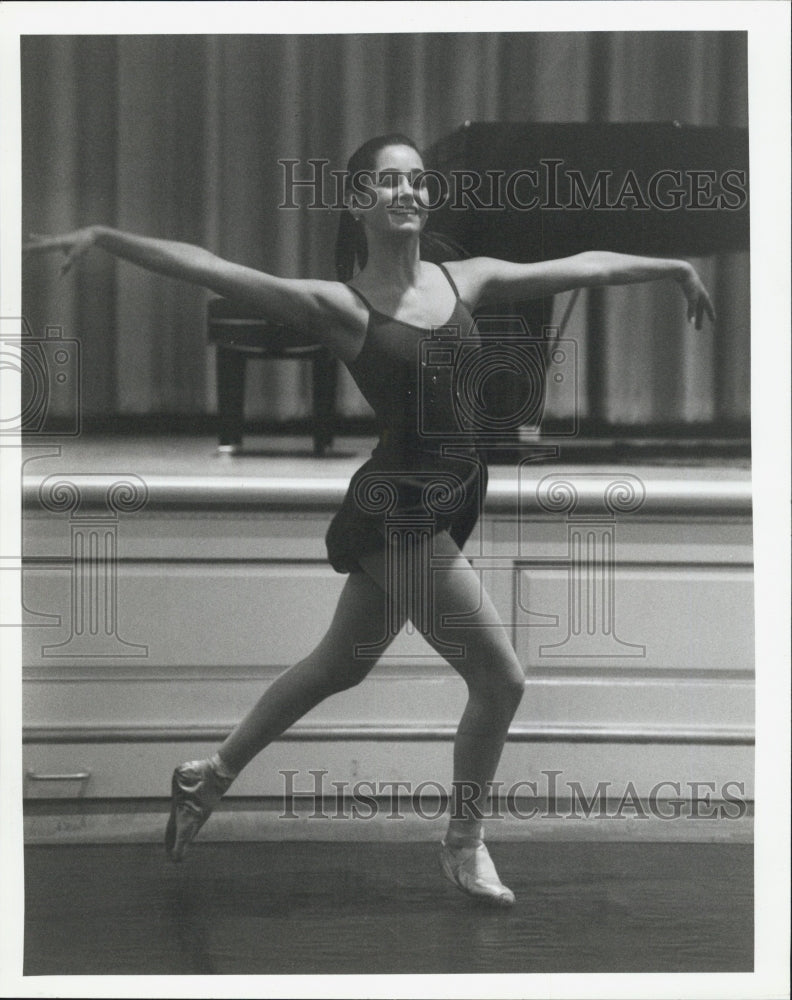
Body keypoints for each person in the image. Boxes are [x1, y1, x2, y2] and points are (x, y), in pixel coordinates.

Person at [25, 132, 715, 907]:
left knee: (339, 665)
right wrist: (107, 237)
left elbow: (586, 265)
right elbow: (213, 267)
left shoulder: (468, 279)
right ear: (359, 202)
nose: (410, 193)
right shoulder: (341, 306)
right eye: (390, 183)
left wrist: (674, 267)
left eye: (418, 181)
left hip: (453, 494)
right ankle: (463, 844)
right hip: (402, 505)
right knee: (500, 678)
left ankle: (205, 775)